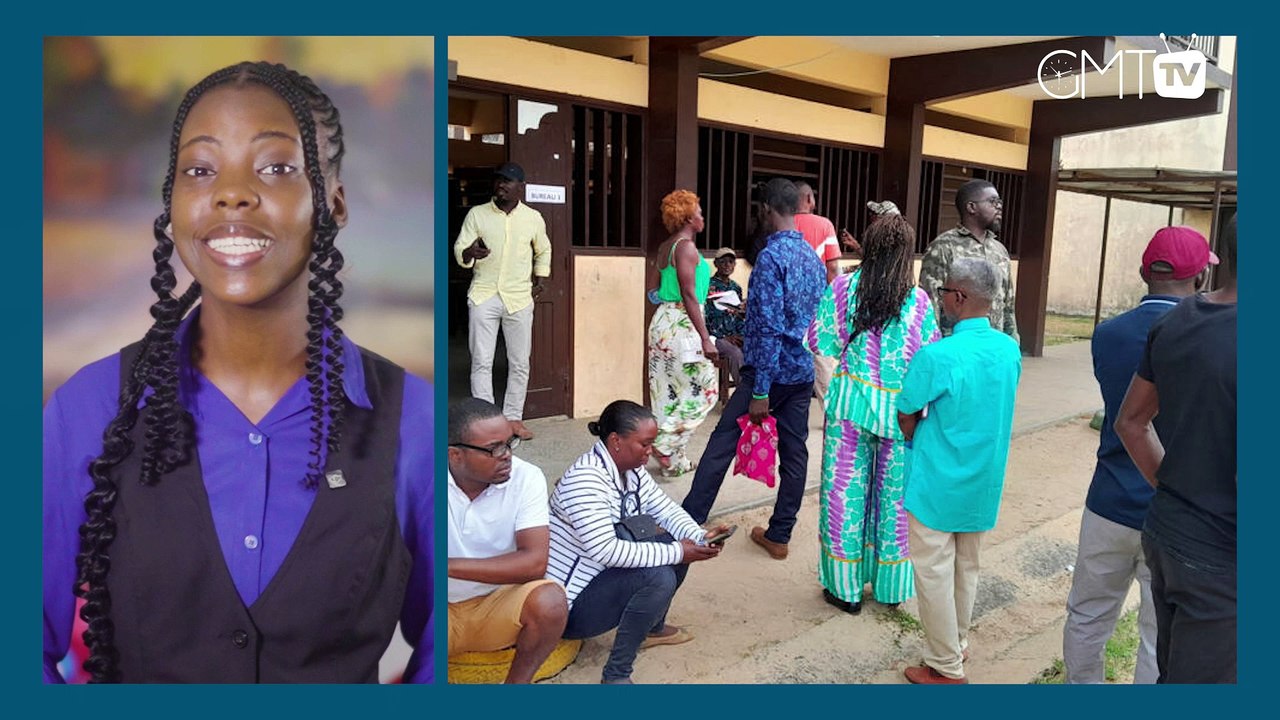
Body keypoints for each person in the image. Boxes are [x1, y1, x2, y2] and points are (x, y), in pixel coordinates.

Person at [41, 61, 433, 683]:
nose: (231, 193)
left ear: (332, 202)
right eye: (200, 170)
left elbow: (440, 653)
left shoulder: (413, 418)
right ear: (172, 203)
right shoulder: (84, 408)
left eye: (276, 167)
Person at [1062, 225, 1215, 685]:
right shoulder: (1213, 339)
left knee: (1088, 615)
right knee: (1158, 631)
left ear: (1142, 272)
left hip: (1108, 499)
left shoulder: (1106, 334)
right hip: (1173, 508)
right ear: (1200, 279)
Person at [1116, 213, 1237, 684]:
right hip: (1223, 557)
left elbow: (1130, 421)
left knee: (1175, 670)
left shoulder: (1178, 320)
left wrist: (1174, 486)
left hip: (1169, 530)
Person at [681, 178, 826, 560]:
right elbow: (815, 320)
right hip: (801, 373)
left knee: (720, 445)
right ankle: (779, 534)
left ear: (764, 210)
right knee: (795, 454)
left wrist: (760, 390)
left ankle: (689, 520)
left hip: (770, 375)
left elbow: (767, 330)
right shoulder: (811, 258)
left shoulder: (770, 260)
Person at [805, 212, 939, 615]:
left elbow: (820, 340)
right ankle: (890, 587)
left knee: (843, 496)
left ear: (870, 246)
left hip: (849, 406)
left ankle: (844, 591)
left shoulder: (844, 288)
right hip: (900, 414)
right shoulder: (918, 300)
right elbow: (927, 356)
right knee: (895, 503)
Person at [896, 257, 1021, 684]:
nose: (941, 298)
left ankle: (946, 666)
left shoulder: (938, 355)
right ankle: (957, 645)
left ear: (960, 297)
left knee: (933, 570)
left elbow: (906, 412)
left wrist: (915, 438)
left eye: (944, 291)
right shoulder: (1008, 350)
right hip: (984, 480)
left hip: (937, 479)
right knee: (967, 566)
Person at [546, 400, 729, 684]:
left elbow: (665, 510)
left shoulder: (630, 469)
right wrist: (678, 551)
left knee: (675, 548)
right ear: (616, 441)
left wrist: (698, 536)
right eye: (644, 444)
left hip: (599, 578)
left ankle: (652, 629)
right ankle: (616, 676)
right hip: (569, 606)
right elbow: (606, 551)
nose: (651, 451)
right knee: (660, 575)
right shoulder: (585, 481)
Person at [446, 398, 568, 684]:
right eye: (493, 449)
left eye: (509, 443)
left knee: (550, 601)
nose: (506, 455)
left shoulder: (526, 478)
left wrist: (444, 565)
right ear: (455, 455)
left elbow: (534, 563)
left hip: (497, 605)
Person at [454, 161, 552, 441]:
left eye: (507, 181)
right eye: (498, 180)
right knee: (481, 360)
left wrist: (540, 277)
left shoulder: (533, 218)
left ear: (520, 187)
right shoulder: (478, 214)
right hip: (483, 294)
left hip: (519, 297)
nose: (501, 185)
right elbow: (461, 246)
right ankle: (484, 419)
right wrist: (469, 252)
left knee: (519, 361)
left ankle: (513, 418)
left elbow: (544, 249)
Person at [648, 190, 719, 478]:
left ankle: (675, 462)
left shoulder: (665, 247)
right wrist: (704, 337)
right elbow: (689, 295)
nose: (702, 217)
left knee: (669, 391)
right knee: (706, 389)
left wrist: (671, 299)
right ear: (689, 217)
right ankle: (664, 444)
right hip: (684, 323)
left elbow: (652, 292)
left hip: (662, 321)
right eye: (699, 212)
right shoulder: (687, 248)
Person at [918, 179, 1018, 344]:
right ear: (971, 207)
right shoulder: (943, 247)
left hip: (993, 347)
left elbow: (1008, 304)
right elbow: (931, 304)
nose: (999, 207)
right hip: (957, 347)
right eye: (993, 202)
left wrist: (1013, 342)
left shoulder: (1000, 250)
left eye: (999, 202)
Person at [794, 181, 841, 403]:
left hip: (787, 304)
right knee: (821, 359)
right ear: (809, 199)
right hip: (817, 304)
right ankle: (829, 413)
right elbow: (832, 269)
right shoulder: (824, 225)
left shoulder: (782, 223)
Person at [705, 247, 746, 385]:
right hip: (716, 337)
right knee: (735, 354)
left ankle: (762, 391)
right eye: (723, 262)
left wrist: (741, 334)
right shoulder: (708, 286)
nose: (727, 265)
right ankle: (744, 393)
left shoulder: (736, 288)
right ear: (716, 264)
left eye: (730, 262)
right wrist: (724, 337)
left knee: (758, 347)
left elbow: (738, 316)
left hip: (734, 335)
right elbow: (707, 316)